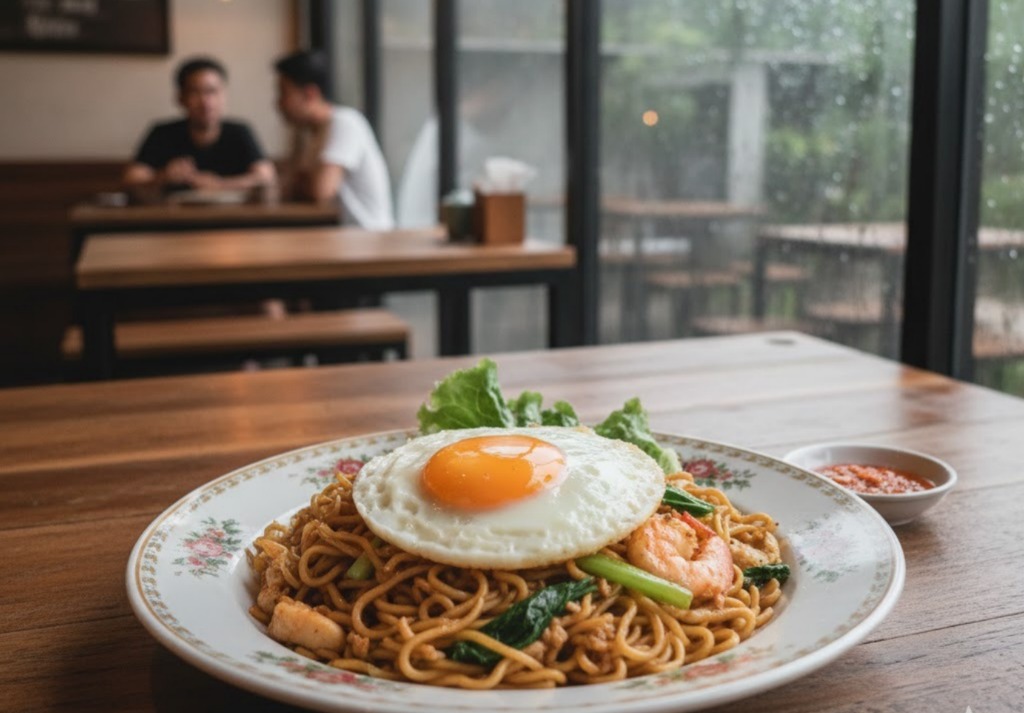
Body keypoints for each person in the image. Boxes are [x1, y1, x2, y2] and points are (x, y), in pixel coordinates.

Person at [273, 50, 394, 229]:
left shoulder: (345, 123)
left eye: (284, 93)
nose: (278, 103)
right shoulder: (310, 133)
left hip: (368, 240)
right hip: (339, 237)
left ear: (310, 94)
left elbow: (321, 191)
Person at [124, 57, 276, 195]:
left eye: (212, 91)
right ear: (180, 98)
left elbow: (266, 177)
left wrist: (219, 184)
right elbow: (131, 179)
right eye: (196, 92)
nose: (206, 102)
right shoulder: (162, 133)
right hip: (174, 219)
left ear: (224, 96)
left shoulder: (240, 132)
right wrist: (163, 176)